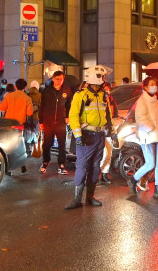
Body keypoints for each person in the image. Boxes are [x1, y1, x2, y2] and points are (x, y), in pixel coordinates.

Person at [66, 65, 112, 209]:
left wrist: (112, 131)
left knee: (95, 167)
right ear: (95, 78)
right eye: (103, 77)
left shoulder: (103, 95)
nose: (105, 80)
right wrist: (78, 136)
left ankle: (90, 198)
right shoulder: (80, 95)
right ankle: (77, 200)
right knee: (82, 167)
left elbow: (107, 116)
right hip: (86, 137)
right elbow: (73, 116)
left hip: (99, 137)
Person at [127, 76, 158, 199]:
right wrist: (151, 128)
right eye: (151, 84)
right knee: (150, 163)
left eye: (154, 84)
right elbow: (141, 118)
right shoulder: (142, 101)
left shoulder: (156, 101)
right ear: (145, 87)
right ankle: (133, 179)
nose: (154, 86)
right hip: (148, 137)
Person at [39, 71, 72, 175]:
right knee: (47, 144)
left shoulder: (66, 90)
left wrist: (67, 117)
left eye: (61, 79)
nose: (60, 81)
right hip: (48, 122)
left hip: (61, 122)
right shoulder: (47, 91)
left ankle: (61, 165)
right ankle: (45, 162)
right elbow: (42, 107)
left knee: (62, 145)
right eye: (57, 79)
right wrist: (41, 122)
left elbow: (69, 105)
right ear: (53, 79)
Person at [0, 79, 34, 165]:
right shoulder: (27, 98)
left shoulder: (8, 96)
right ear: (25, 87)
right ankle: (17, 161)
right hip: (19, 125)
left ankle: (7, 159)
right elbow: (30, 113)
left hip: (8, 123)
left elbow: (2, 108)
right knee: (18, 143)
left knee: (7, 142)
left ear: (15, 86)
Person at [98, 82, 120, 184]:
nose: (106, 91)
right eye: (104, 89)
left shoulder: (112, 101)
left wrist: (113, 131)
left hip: (109, 131)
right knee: (104, 154)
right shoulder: (98, 100)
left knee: (109, 154)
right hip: (100, 131)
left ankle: (104, 174)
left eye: (108, 89)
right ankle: (97, 173)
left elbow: (114, 116)